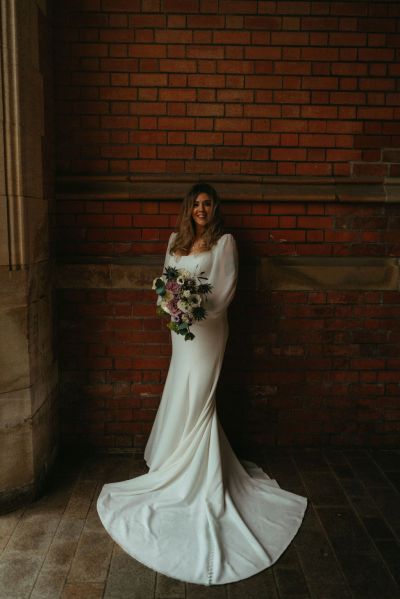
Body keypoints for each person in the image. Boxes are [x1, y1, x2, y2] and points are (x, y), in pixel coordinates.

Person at [97, 182, 307, 586]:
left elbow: (225, 291)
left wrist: (195, 308)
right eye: (196, 204)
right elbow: (165, 281)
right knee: (181, 387)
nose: (201, 209)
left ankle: (200, 471)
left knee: (201, 395)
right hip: (181, 330)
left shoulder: (224, 242)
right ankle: (176, 456)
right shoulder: (176, 240)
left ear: (215, 209)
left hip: (208, 331)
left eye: (207, 204)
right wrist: (172, 305)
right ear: (187, 208)